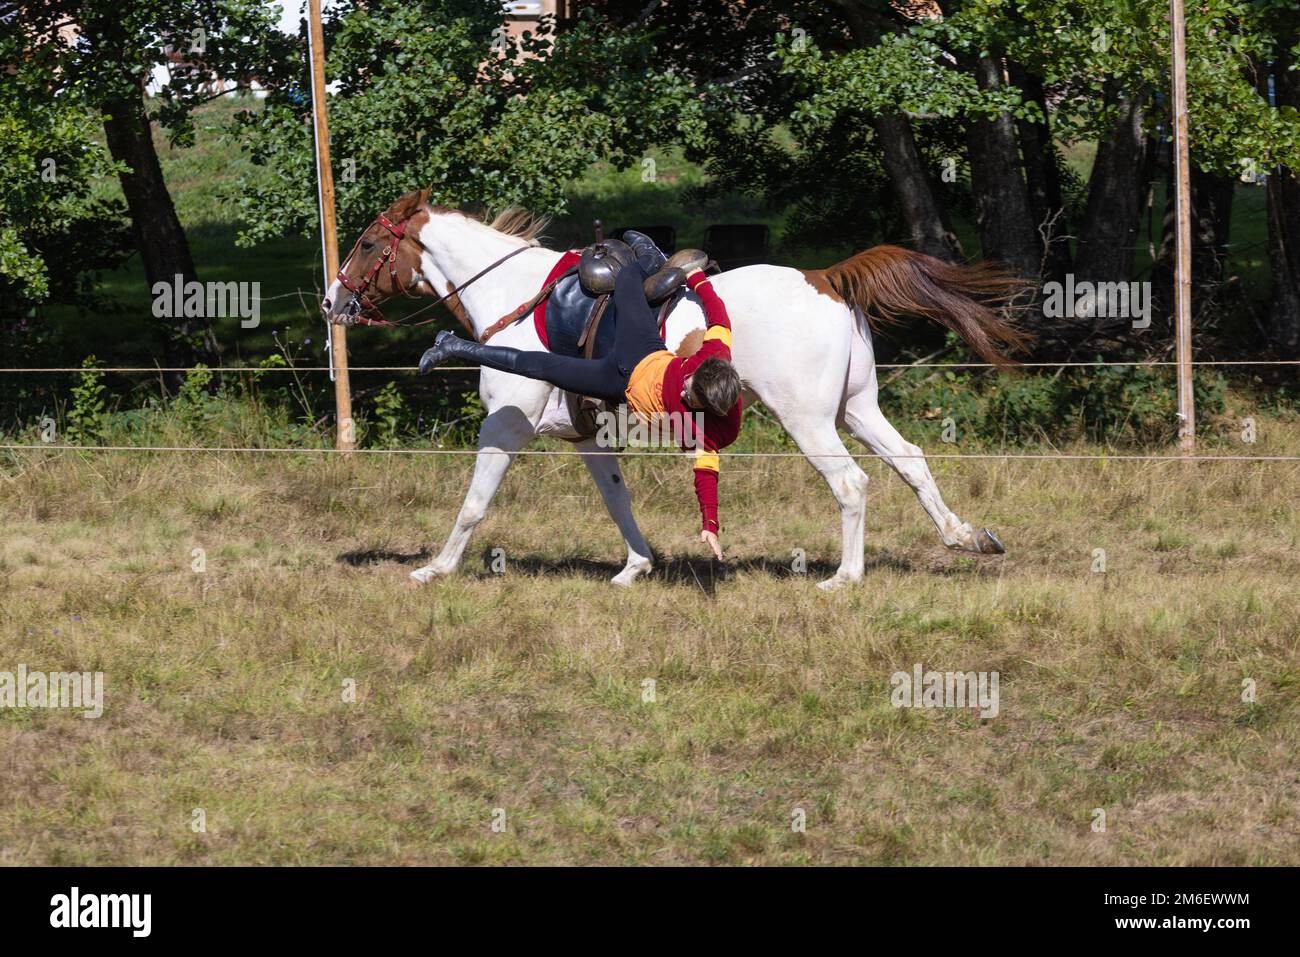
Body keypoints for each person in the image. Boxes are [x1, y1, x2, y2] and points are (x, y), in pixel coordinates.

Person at [418, 251, 743, 560]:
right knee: (628, 276)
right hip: (644, 349)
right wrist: (698, 277)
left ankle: (453, 346)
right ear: (705, 366)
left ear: (709, 411)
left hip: (615, 384)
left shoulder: (710, 432)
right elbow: (717, 311)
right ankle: (648, 254)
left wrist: (709, 525)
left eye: (691, 400)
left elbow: (706, 477)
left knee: (538, 365)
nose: (684, 394)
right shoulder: (716, 350)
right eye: (689, 386)